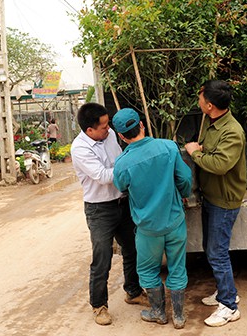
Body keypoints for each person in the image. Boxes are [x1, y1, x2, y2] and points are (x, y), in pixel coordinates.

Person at [112, 108, 192, 329]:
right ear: (141, 125)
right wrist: (184, 195)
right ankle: (178, 316)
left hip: (148, 228)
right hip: (175, 221)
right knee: (177, 267)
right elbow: (184, 178)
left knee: (147, 270)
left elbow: (120, 187)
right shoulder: (168, 146)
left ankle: (158, 312)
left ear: (121, 136)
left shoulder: (122, 163)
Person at [70, 102, 148, 326]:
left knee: (132, 248)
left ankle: (132, 291)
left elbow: (119, 159)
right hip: (99, 210)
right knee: (102, 258)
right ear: (89, 131)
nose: (109, 129)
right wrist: (134, 166)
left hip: (121, 202)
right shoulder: (80, 149)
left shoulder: (111, 134)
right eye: (104, 126)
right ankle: (99, 305)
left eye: (108, 124)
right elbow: (104, 176)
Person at [184, 79, 247, 327]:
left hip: (225, 200)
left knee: (218, 253)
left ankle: (230, 306)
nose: (198, 101)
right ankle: (224, 292)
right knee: (212, 249)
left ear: (209, 105)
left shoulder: (231, 131)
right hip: (212, 196)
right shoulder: (213, 124)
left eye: (201, 98)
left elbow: (220, 165)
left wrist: (194, 152)